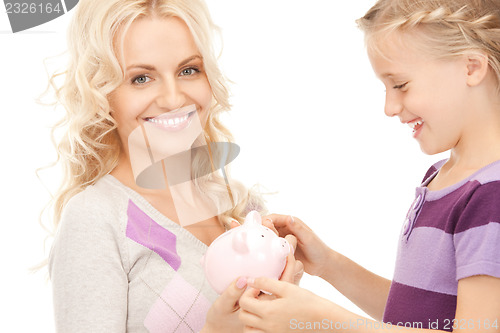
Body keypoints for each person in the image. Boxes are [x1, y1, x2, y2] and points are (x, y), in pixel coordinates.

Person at [238, 0, 500, 332]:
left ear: (472, 67)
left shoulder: (491, 194)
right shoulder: (442, 178)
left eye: (401, 85)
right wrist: (330, 265)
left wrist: (323, 321)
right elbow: (418, 313)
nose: (390, 107)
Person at [46, 0, 301, 332]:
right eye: (141, 78)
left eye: (188, 70)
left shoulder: (241, 207)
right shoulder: (95, 219)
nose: (173, 98)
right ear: (102, 94)